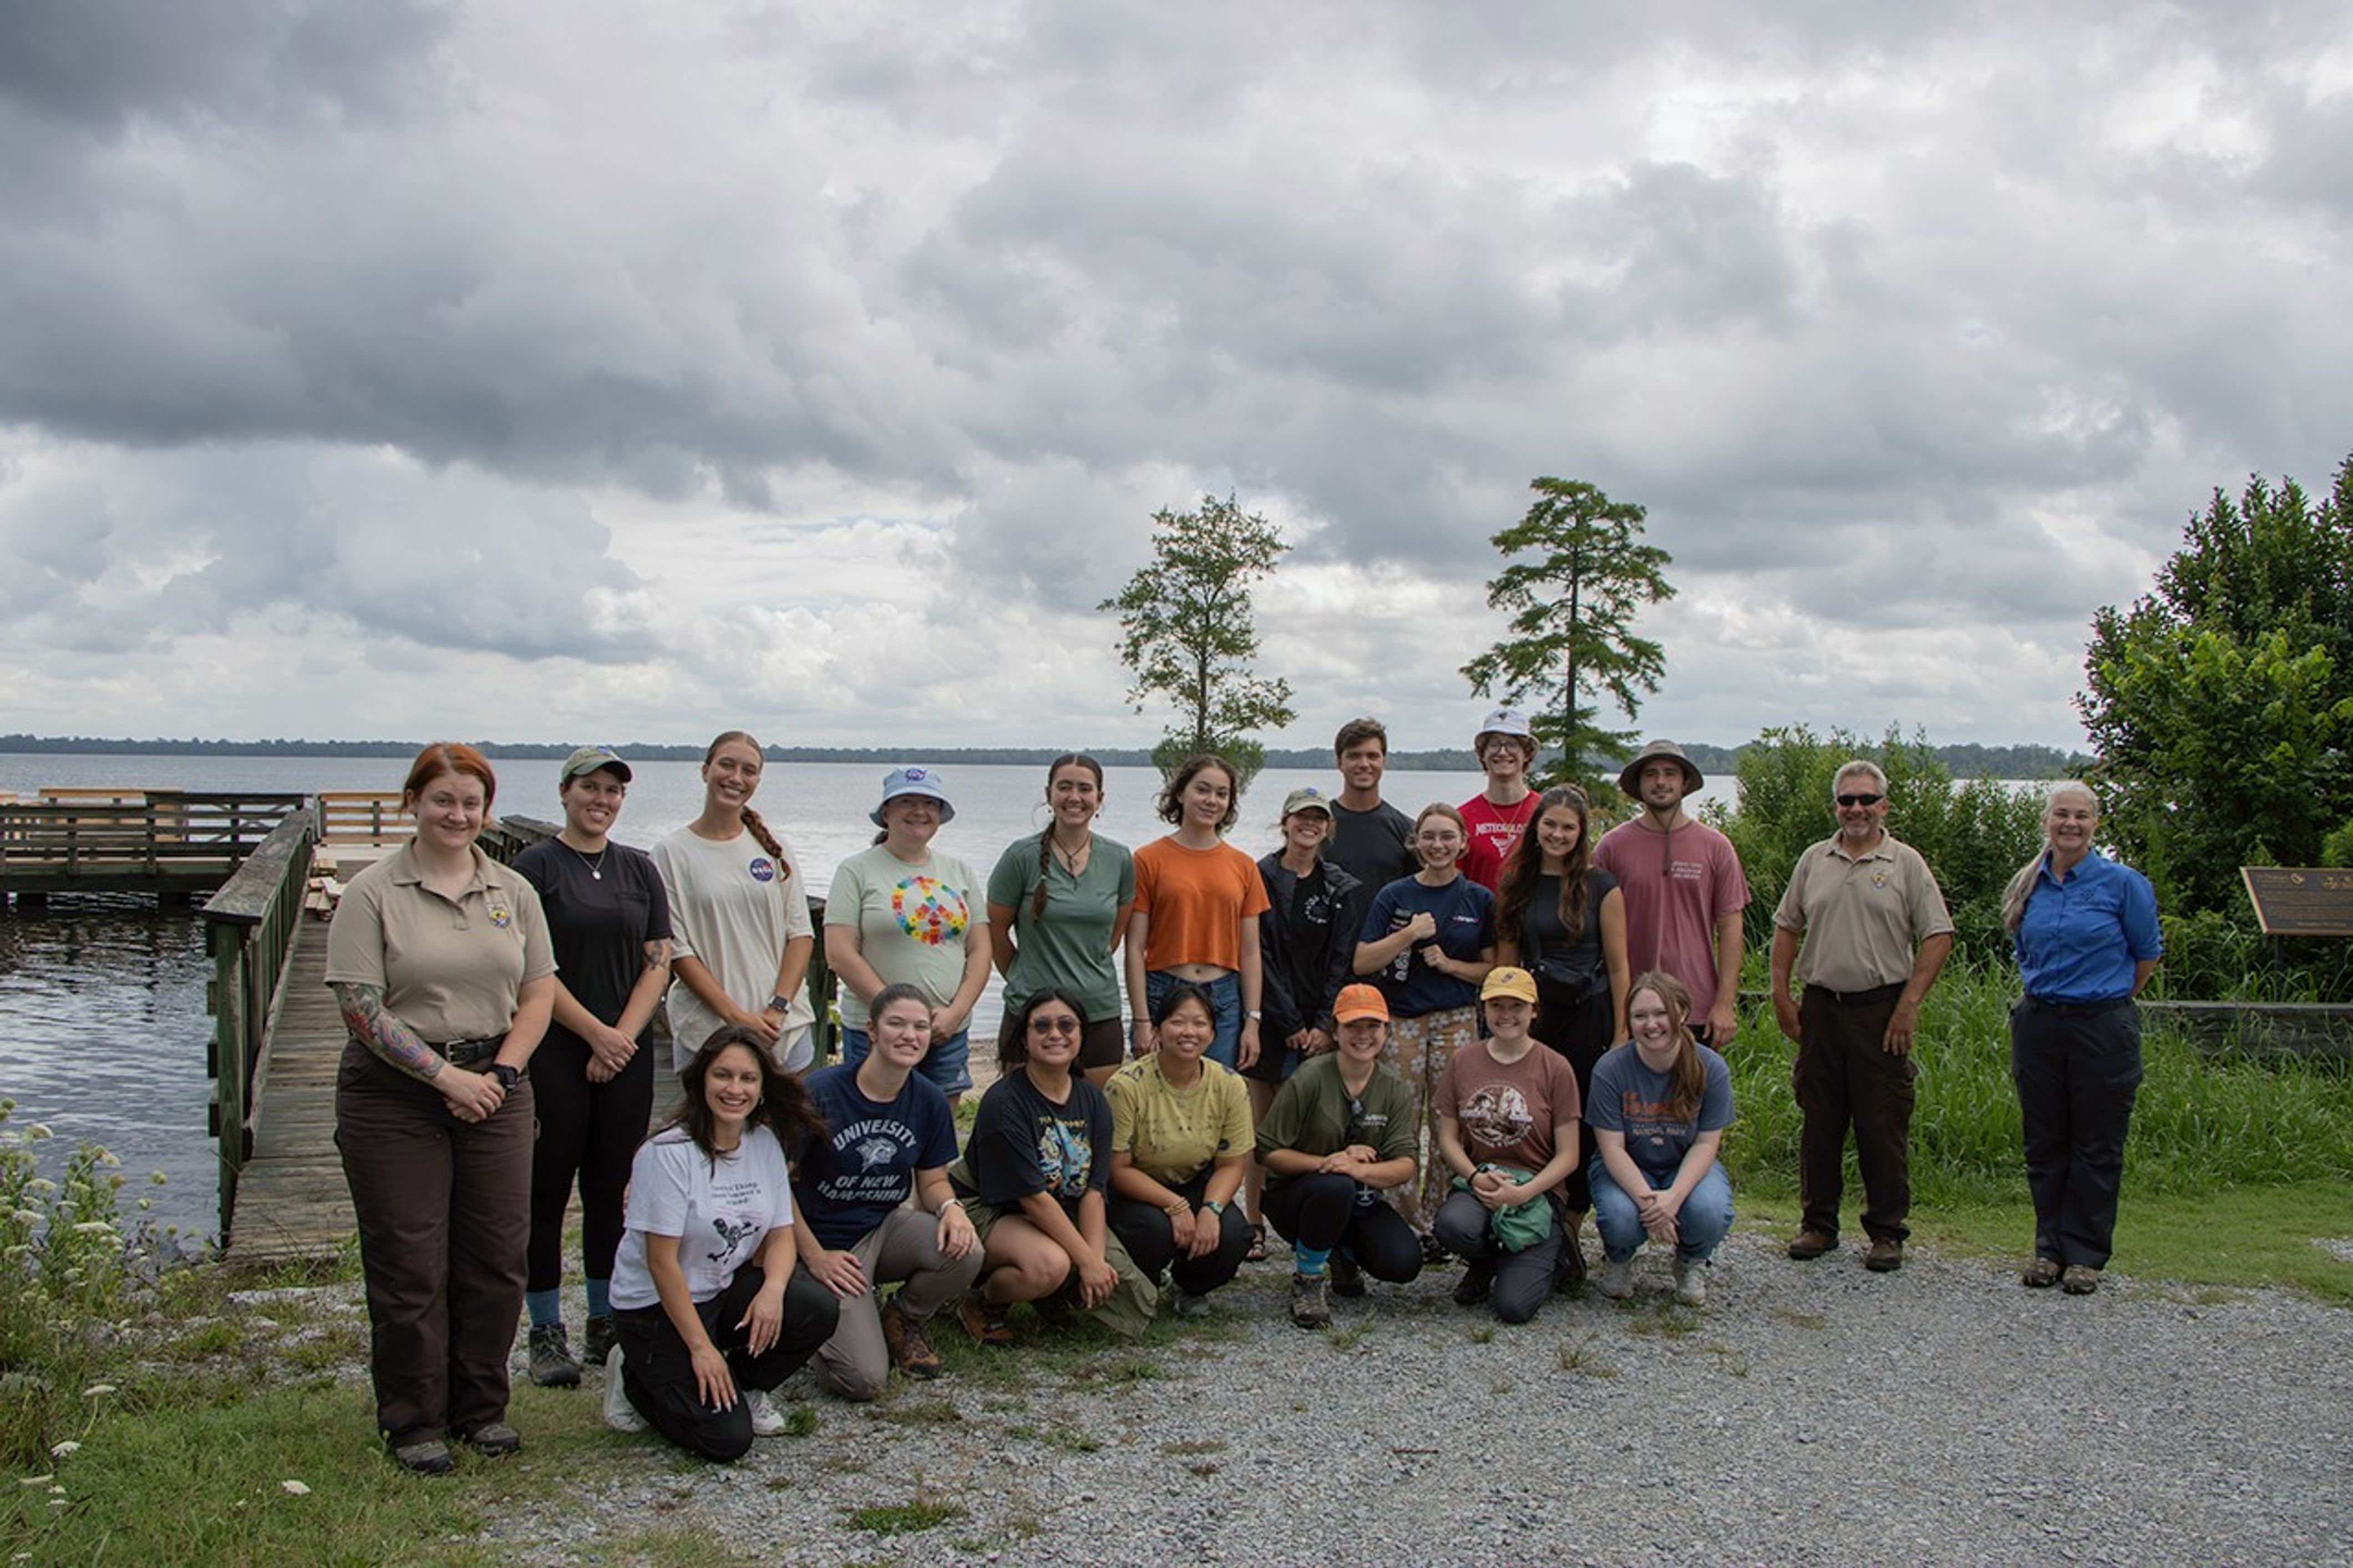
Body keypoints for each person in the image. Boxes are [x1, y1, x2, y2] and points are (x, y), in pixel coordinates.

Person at [325, 743, 555, 1473]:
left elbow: (540, 989)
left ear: (487, 811)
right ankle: (413, 1418)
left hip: (497, 1082)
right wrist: (445, 1079)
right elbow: (359, 1004)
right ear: (412, 802)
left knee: (496, 1255)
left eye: (471, 802)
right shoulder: (373, 890)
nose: (458, 814)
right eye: (443, 800)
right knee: (409, 1261)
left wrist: (504, 1071)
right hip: (396, 1091)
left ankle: (481, 1407)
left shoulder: (513, 889)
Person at [512, 745, 674, 1387]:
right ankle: (545, 1327)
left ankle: (604, 1320)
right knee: (546, 1190)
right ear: (564, 792)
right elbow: (532, 967)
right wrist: (595, 1035)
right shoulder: (536, 867)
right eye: (590, 788)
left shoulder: (639, 869)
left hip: (626, 1055)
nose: (602, 800)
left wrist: (623, 1038)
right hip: (555, 1047)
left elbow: (657, 958)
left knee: (610, 1191)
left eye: (613, 791)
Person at [603, 1028, 839, 1462]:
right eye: (723, 1076)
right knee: (727, 1439)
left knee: (814, 1307)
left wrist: (772, 1291)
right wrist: (702, 1349)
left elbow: (782, 1234)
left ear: (763, 1088)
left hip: (718, 1289)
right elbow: (661, 1264)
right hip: (655, 1308)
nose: (735, 1089)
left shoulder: (763, 1143)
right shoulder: (667, 1153)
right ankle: (634, 1377)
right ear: (701, 1081)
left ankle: (744, 1385)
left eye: (748, 1079)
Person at [1769, 760, 1956, 1274]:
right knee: (1820, 1120)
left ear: (1884, 806)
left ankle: (1887, 1231)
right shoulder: (1815, 860)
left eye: (1867, 800)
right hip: (1822, 1009)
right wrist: (1782, 994)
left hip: (1881, 1010)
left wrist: (1909, 1005)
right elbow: (1787, 926)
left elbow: (1938, 934)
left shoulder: (1905, 863)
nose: (1857, 809)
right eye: (1847, 800)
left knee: (1882, 1124)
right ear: (1835, 805)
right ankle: (1818, 1225)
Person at [2001, 781, 2161, 1296]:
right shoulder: (2030, 884)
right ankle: (2049, 1249)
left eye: (2082, 816)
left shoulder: (2122, 884)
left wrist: (2100, 997)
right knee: (2045, 1141)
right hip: (2041, 1023)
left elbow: (2145, 956)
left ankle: (2086, 1255)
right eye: (2061, 815)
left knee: (2097, 1143)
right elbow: (2022, 950)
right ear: (2046, 821)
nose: (2071, 824)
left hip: (2101, 1025)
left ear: (2096, 824)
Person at [795, 985, 983, 1399]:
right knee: (865, 1381)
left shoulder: (929, 1099)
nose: (909, 1035)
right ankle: (806, 1318)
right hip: (822, 1241)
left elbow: (932, 1180)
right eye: (896, 1023)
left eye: (919, 1026)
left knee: (967, 1249)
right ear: (872, 1030)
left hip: (882, 1228)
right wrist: (814, 1255)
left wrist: (952, 1208)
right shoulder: (822, 1092)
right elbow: (776, 1182)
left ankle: (902, 1318)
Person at [949, 988, 1157, 1342]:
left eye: (1066, 1025)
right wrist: (1084, 1263)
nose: (1055, 1034)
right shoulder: (1005, 1103)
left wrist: (1094, 1262)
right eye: (1041, 1026)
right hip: (987, 1206)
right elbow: (1032, 1198)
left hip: (1059, 1203)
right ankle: (982, 1301)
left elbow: (1093, 1190)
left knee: (1121, 1283)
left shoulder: (1091, 1097)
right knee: (1053, 1265)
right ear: (1025, 1040)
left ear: (1081, 1036)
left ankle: (1057, 1292)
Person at [1495, 783, 1629, 1287]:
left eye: (1567, 827)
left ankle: (1571, 1222)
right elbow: (1506, 963)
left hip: (1590, 1014)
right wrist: (1501, 1024)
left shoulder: (1603, 887)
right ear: (1537, 828)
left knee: (1583, 1120)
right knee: (1533, 1116)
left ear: (1581, 833)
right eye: (1549, 824)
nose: (1557, 834)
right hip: (1536, 1013)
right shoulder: (1518, 883)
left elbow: (1620, 968)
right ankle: (1529, 1213)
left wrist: (1621, 1035)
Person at [1353, 801, 1496, 1242]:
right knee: (1402, 1119)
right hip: (1403, 1019)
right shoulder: (1394, 896)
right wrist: (1408, 935)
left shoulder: (1479, 898)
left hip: (1456, 1019)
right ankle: (1401, 1219)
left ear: (1462, 844)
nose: (1438, 845)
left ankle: (1440, 1220)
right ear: (1416, 843)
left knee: (1447, 1121)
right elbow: (1362, 962)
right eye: (1429, 836)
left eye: (1447, 837)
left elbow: (1492, 971)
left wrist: (1451, 964)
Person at [1256, 983, 1423, 1329]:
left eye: (1373, 1026)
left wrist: (1357, 1171)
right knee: (1334, 1187)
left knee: (1403, 1263)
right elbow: (1267, 1150)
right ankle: (1308, 1279)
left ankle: (1342, 1254)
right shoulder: (1309, 1078)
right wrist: (1328, 1163)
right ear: (1336, 1030)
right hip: (1298, 1198)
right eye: (1353, 1026)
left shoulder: (1393, 1088)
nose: (1363, 1036)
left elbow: (1405, 1165)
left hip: (1359, 1200)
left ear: (1387, 1031)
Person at [651, 731, 817, 1071]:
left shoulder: (776, 848)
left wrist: (777, 1008)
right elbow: (679, 952)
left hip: (782, 1029)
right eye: (726, 765)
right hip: (707, 1030)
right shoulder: (671, 853)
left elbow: (800, 934)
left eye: (749, 770)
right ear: (705, 770)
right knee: (709, 1125)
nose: (736, 778)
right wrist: (736, 1017)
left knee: (787, 1125)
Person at [826, 766, 992, 1101]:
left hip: (947, 1030)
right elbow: (840, 953)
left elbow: (980, 950)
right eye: (906, 801)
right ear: (886, 812)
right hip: (876, 1028)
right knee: (874, 1124)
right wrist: (897, 1015)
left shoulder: (959, 871)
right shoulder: (856, 870)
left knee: (938, 1128)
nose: (919, 811)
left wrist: (957, 1012)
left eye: (930, 803)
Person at [1251, 785, 1366, 1256]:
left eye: (1318, 818)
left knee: (1320, 1123)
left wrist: (1324, 1024)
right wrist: (1287, 1022)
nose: (1310, 825)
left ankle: (1316, 1221)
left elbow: (1342, 960)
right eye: (1301, 816)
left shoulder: (1340, 886)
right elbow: (1260, 956)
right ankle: (1253, 1220)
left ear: (1328, 827)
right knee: (1260, 1126)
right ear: (1285, 821)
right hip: (1273, 1016)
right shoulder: (1259, 876)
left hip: (1322, 1023)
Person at [1432, 967, 1583, 1323]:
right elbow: (1448, 1138)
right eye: (1496, 1005)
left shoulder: (1555, 1067)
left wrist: (1523, 1192)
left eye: (1516, 1005)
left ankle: (1553, 1252)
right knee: (1452, 1226)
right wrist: (1473, 1178)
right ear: (1483, 1010)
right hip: (1484, 1179)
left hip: (1537, 1189)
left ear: (1534, 1011)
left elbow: (1569, 1155)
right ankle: (1486, 1264)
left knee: (1513, 1308)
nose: (1506, 1015)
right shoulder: (1464, 1061)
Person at [1105, 982, 1256, 1316]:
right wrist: (1174, 1206)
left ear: (1213, 1034)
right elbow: (1118, 1169)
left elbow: (1232, 1164)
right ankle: (1141, 1280)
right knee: (1153, 1230)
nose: (1189, 1032)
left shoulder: (1230, 1085)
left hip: (1194, 1179)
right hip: (1137, 1188)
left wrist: (1211, 1210)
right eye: (1178, 1022)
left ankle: (1191, 1286)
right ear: (1157, 1030)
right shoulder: (1126, 1086)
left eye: (1200, 1023)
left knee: (1233, 1233)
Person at [986, 754, 1135, 1089]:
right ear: (1049, 793)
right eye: (1064, 787)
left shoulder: (1119, 859)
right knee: (1024, 1122)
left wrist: (1083, 968)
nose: (1074, 797)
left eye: (1085, 788)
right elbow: (993, 931)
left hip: (1098, 1012)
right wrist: (1022, 975)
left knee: (1095, 1119)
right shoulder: (1019, 857)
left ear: (1100, 798)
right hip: (1031, 1012)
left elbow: (1114, 936)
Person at [1587, 972, 1736, 1307]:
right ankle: (1620, 1256)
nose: (1651, 1025)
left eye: (1660, 1013)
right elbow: (1611, 1148)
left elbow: (1706, 1144)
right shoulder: (1610, 1069)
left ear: (1682, 1012)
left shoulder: (1710, 1068)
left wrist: (1673, 1199)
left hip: (1682, 1164)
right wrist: (1649, 1204)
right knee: (1620, 1217)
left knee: (1710, 1209)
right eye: (1640, 1016)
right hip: (1628, 1164)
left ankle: (1691, 1259)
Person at [1591, 739, 1751, 1047]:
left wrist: (1724, 1003)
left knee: (1693, 1093)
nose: (1661, 782)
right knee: (1636, 1096)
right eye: (1651, 774)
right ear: (1639, 784)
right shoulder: (1611, 847)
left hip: (1696, 1006)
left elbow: (1731, 926)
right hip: (1631, 1007)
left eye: (1670, 773)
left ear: (1685, 782)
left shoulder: (1716, 847)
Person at [1124, 754, 1270, 1073]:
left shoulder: (1243, 866)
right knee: (1156, 1099)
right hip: (1163, 992)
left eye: (1222, 794)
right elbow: (1134, 948)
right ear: (1180, 793)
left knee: (1216, 1098)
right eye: (1202, 790)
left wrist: (1253, 1022)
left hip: (1224, 999)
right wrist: (1141, 1020)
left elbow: (1250, 951)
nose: (1211, 801)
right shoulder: (1148, 860)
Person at [1325, 716, 1418, 891]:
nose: (1364, 764)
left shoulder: (1406, 830)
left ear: (1384, 761)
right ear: (1339, 762)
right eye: (1354, 756)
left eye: (1373, 756)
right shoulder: (1319, 826)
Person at [1457, 708, 1539, 894]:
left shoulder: (1545, 812)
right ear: (1483, 754)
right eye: (1494, 745)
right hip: (1481, 920)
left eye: (1512, 744)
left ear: (1527, 754)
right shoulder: (1462, 817)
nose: (1503, 752)